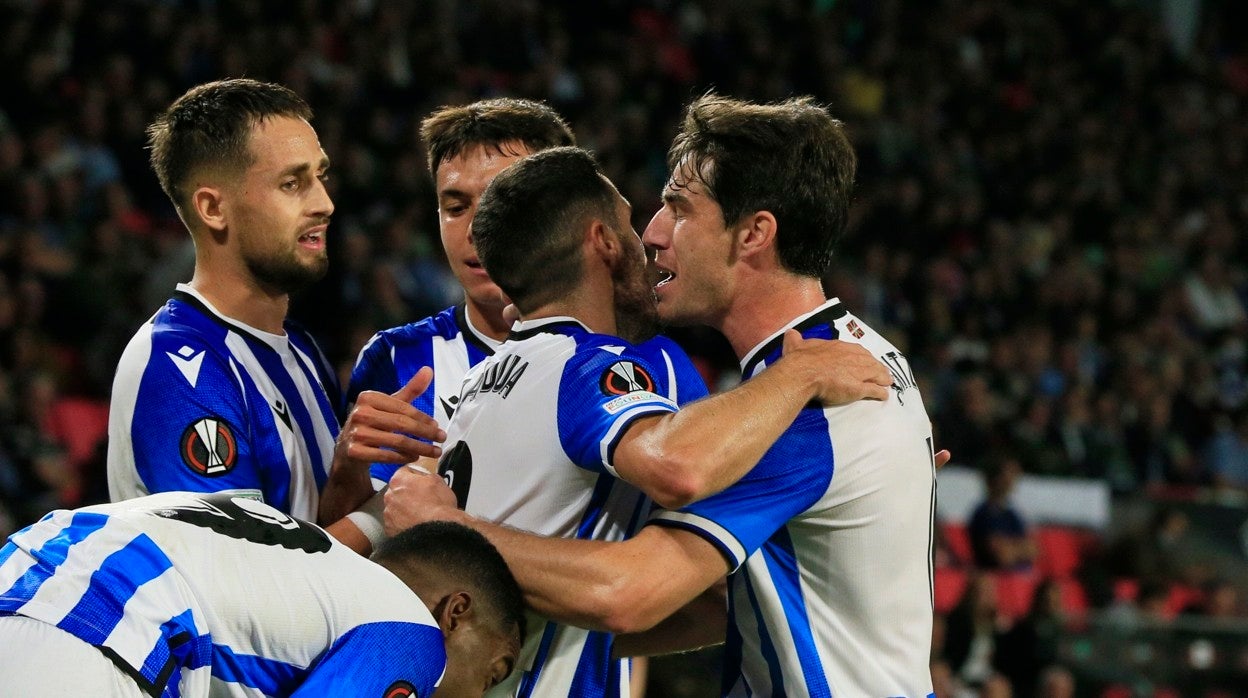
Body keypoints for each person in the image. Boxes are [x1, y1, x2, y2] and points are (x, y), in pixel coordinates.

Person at [388, 94, 940, 697]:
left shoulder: (806, 400)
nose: (651, 233)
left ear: (754, 233)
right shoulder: (849, 358)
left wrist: (447, 527)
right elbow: (707, 606)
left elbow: (628, 592)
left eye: (678, 207)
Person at [105, 79, 441, 531]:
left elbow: (310, 533)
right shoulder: (178, 364)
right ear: (212, 209)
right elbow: (245, 582)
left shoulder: (298, 348)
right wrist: (390, 511)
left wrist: (349, 476)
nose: (324, 203)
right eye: (291, 183)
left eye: (320, 176)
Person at [0, 491, 522, 697]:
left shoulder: (304, 568)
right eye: (492, 676)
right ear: (454, 612)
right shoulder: (412, 635)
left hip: (25, 579)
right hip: (100, 633)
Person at [336, 98, 575, 513]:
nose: (478, 231)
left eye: (504, 200)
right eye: (456, 207)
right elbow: (353, 535)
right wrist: (345, 470)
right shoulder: (397, 360)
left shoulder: (629, 356)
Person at [968, 455, 1037, 570]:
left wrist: (1011, 548)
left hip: (1019, 578)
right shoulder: (983, 513)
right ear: (995, 479)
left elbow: (1033, 549)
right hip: (994, 576)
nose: (1012, 480)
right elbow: (1001, 555)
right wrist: (1018, 549)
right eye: (1008, 474)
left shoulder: (1012, 514)